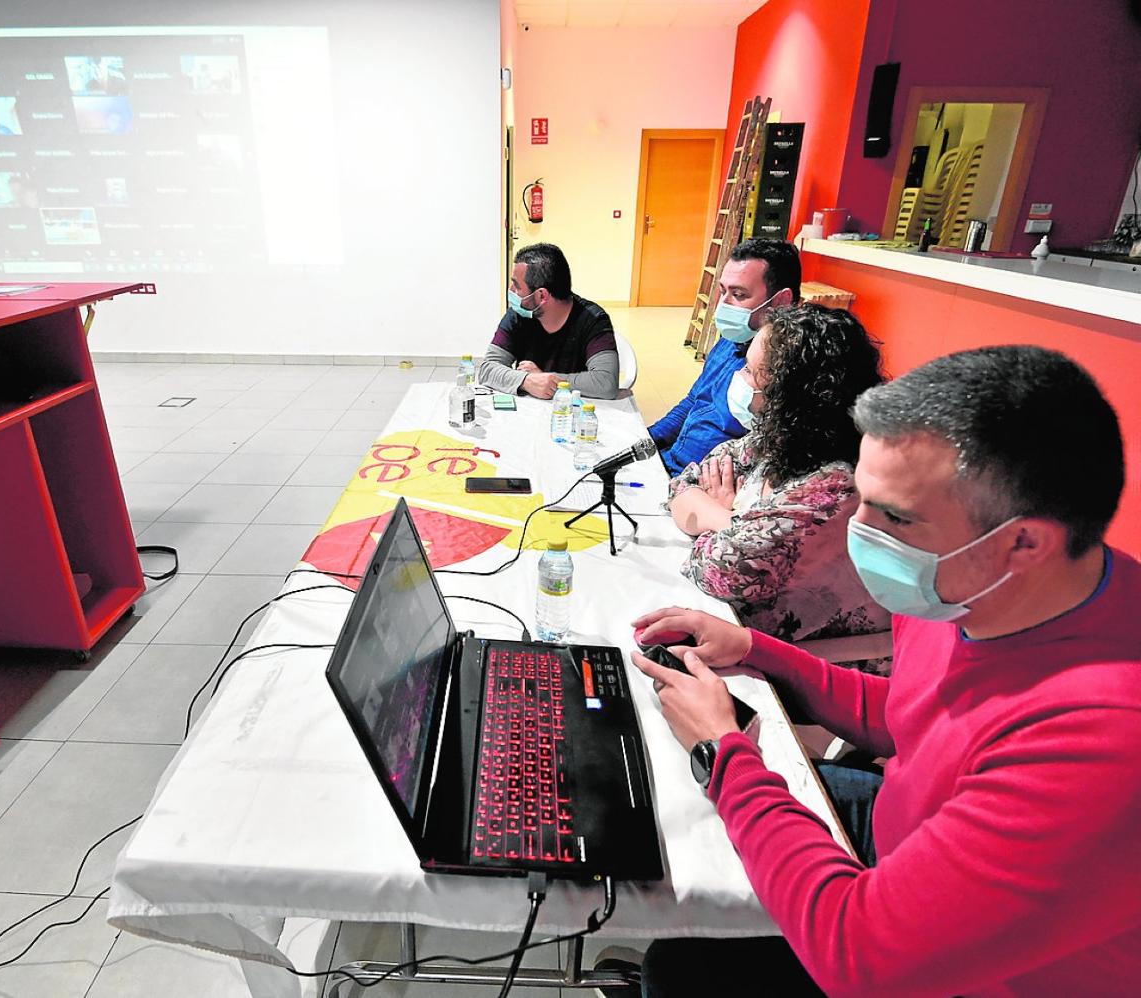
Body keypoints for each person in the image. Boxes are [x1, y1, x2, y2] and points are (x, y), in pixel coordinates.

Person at [629, 345, 1139, 996]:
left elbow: (859, 955)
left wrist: (720, 752)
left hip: (945, 969)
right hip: (902, 824)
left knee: (683, 967)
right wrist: (755, 650)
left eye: (894, 518)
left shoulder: (1102, 740)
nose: (858, 531)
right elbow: (905, 711)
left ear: (1023, 541)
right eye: (862, 500)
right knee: (659, 814)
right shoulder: (978, 586)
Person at [668, 304, 889, 647]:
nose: (739, 380)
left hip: (809, 669)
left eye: (752, 373)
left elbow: (713, 569)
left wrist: (726, 518)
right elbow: (686, 483)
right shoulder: (781, 437)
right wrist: (733, 520)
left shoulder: (833, 489)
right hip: (743, 632)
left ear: (788, 395)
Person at [648, 238, 800, 474]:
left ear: (780, 301)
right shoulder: (731, 339)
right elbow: (694, 400)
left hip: (702, 486)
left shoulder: (789, 367)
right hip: (670, 464)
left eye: (738, 295)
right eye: (722, 291)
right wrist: (646, 440)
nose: (724, 304)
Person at [477, 243, 619, 400]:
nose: (511, 291)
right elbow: (487, 369)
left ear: (542, 295)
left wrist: (547, 379)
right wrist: (527, 380)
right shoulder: (517, 315)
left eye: (517, 285)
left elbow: (606, 383)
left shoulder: (593, 320)